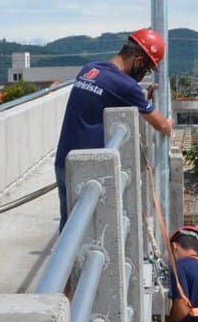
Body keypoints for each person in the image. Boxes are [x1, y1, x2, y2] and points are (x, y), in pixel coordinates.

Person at [54, 28, 173, 226]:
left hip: (63, 159)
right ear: (138, 60)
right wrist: (169, 124)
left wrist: (143, 99)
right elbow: (161, 125)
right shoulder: (126, 86)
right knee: (89, 230)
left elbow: (106, 98)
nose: (144, 74)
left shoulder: (90, 69)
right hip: (89, 167)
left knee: (69, 228)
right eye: (147, 68)